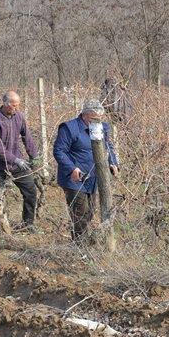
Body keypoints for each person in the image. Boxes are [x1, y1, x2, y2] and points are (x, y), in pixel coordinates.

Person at [53, 99, 119, 242]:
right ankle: (79, 246)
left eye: (99, 118)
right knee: (80, 212)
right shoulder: (69, 128)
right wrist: (72, 168)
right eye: (94, 118)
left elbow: (108, 146)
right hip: (74, 179)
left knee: (90, 212)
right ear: (85, 115)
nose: (97, 121)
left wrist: (113, 163)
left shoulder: (102, 128)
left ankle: (82, 242)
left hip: (93, 178)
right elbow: (59, 151)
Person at [0, 90, 40, 231]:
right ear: (5, 104)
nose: (16, 108)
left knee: (31, 191)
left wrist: (34, 156)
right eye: (14, 105)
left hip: (18, 165)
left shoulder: (19, 117)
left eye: (18, 105)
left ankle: (28, 224)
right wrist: (15, 160)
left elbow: (27, 137)